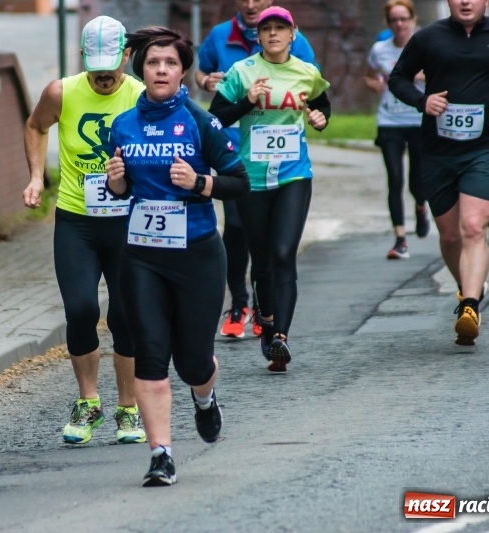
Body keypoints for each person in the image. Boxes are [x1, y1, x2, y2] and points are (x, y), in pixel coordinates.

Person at [105, 26, 249, 487]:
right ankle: (161, 455)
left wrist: (201, 184)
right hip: (143, 256)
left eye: (169, 63)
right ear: (140, 70)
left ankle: (204, 399)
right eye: (152, 63)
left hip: (198, 256)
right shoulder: (123, 125)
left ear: (183, 71)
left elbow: (240, 182)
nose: (161, 70)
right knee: (150, 354)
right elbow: (122, 191)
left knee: (193, 363)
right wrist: (117, 182)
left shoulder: (200, 122)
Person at [22, 16, 147, 446]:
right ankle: (88, 400)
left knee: (125, 315)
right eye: (96, 67)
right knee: (79, 309)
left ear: (127, 56)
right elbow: (36, 126)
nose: (104, 75)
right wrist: (38, 176)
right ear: (83, 60)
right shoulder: (62, 91)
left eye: (111, 65)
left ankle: (128, 408)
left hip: (128, 222)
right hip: (77, 219)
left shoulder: (142, 95)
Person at [389, 0, 489, 346]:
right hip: (437, 150)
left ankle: (470, 305)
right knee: (451, 235)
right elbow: (398, 78)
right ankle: (467, 286)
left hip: (484, 147)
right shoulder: (428, 37)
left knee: (473, 226)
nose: (466, 1)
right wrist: (421, 101)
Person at [209, 6, 331, 373]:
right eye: (267, 30)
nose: (274, 34)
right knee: (261, 260)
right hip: (253, 178)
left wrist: (321, 118)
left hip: (294, 175)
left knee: (282, 253)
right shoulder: (241, 72)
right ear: (258, 37)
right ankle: (267, 321)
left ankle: (281, 336)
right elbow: (216, 117)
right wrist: (247, 100)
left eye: (281, 28)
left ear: (293, 35)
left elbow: (322, 104)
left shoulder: (307, 73)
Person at [365, 0, 429, 260]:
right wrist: (375, 85)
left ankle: (421, 206)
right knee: (394, 178)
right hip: (389, 121)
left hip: (418, 120)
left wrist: (419, 77)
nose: (400, 25)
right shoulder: (380, 50)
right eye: (394, 20)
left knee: (417, 182)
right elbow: (369, 76)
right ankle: (400, 239)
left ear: (413, 20)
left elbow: (444, 74)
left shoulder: (426, 46)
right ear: (388, 24)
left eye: (404, 19)